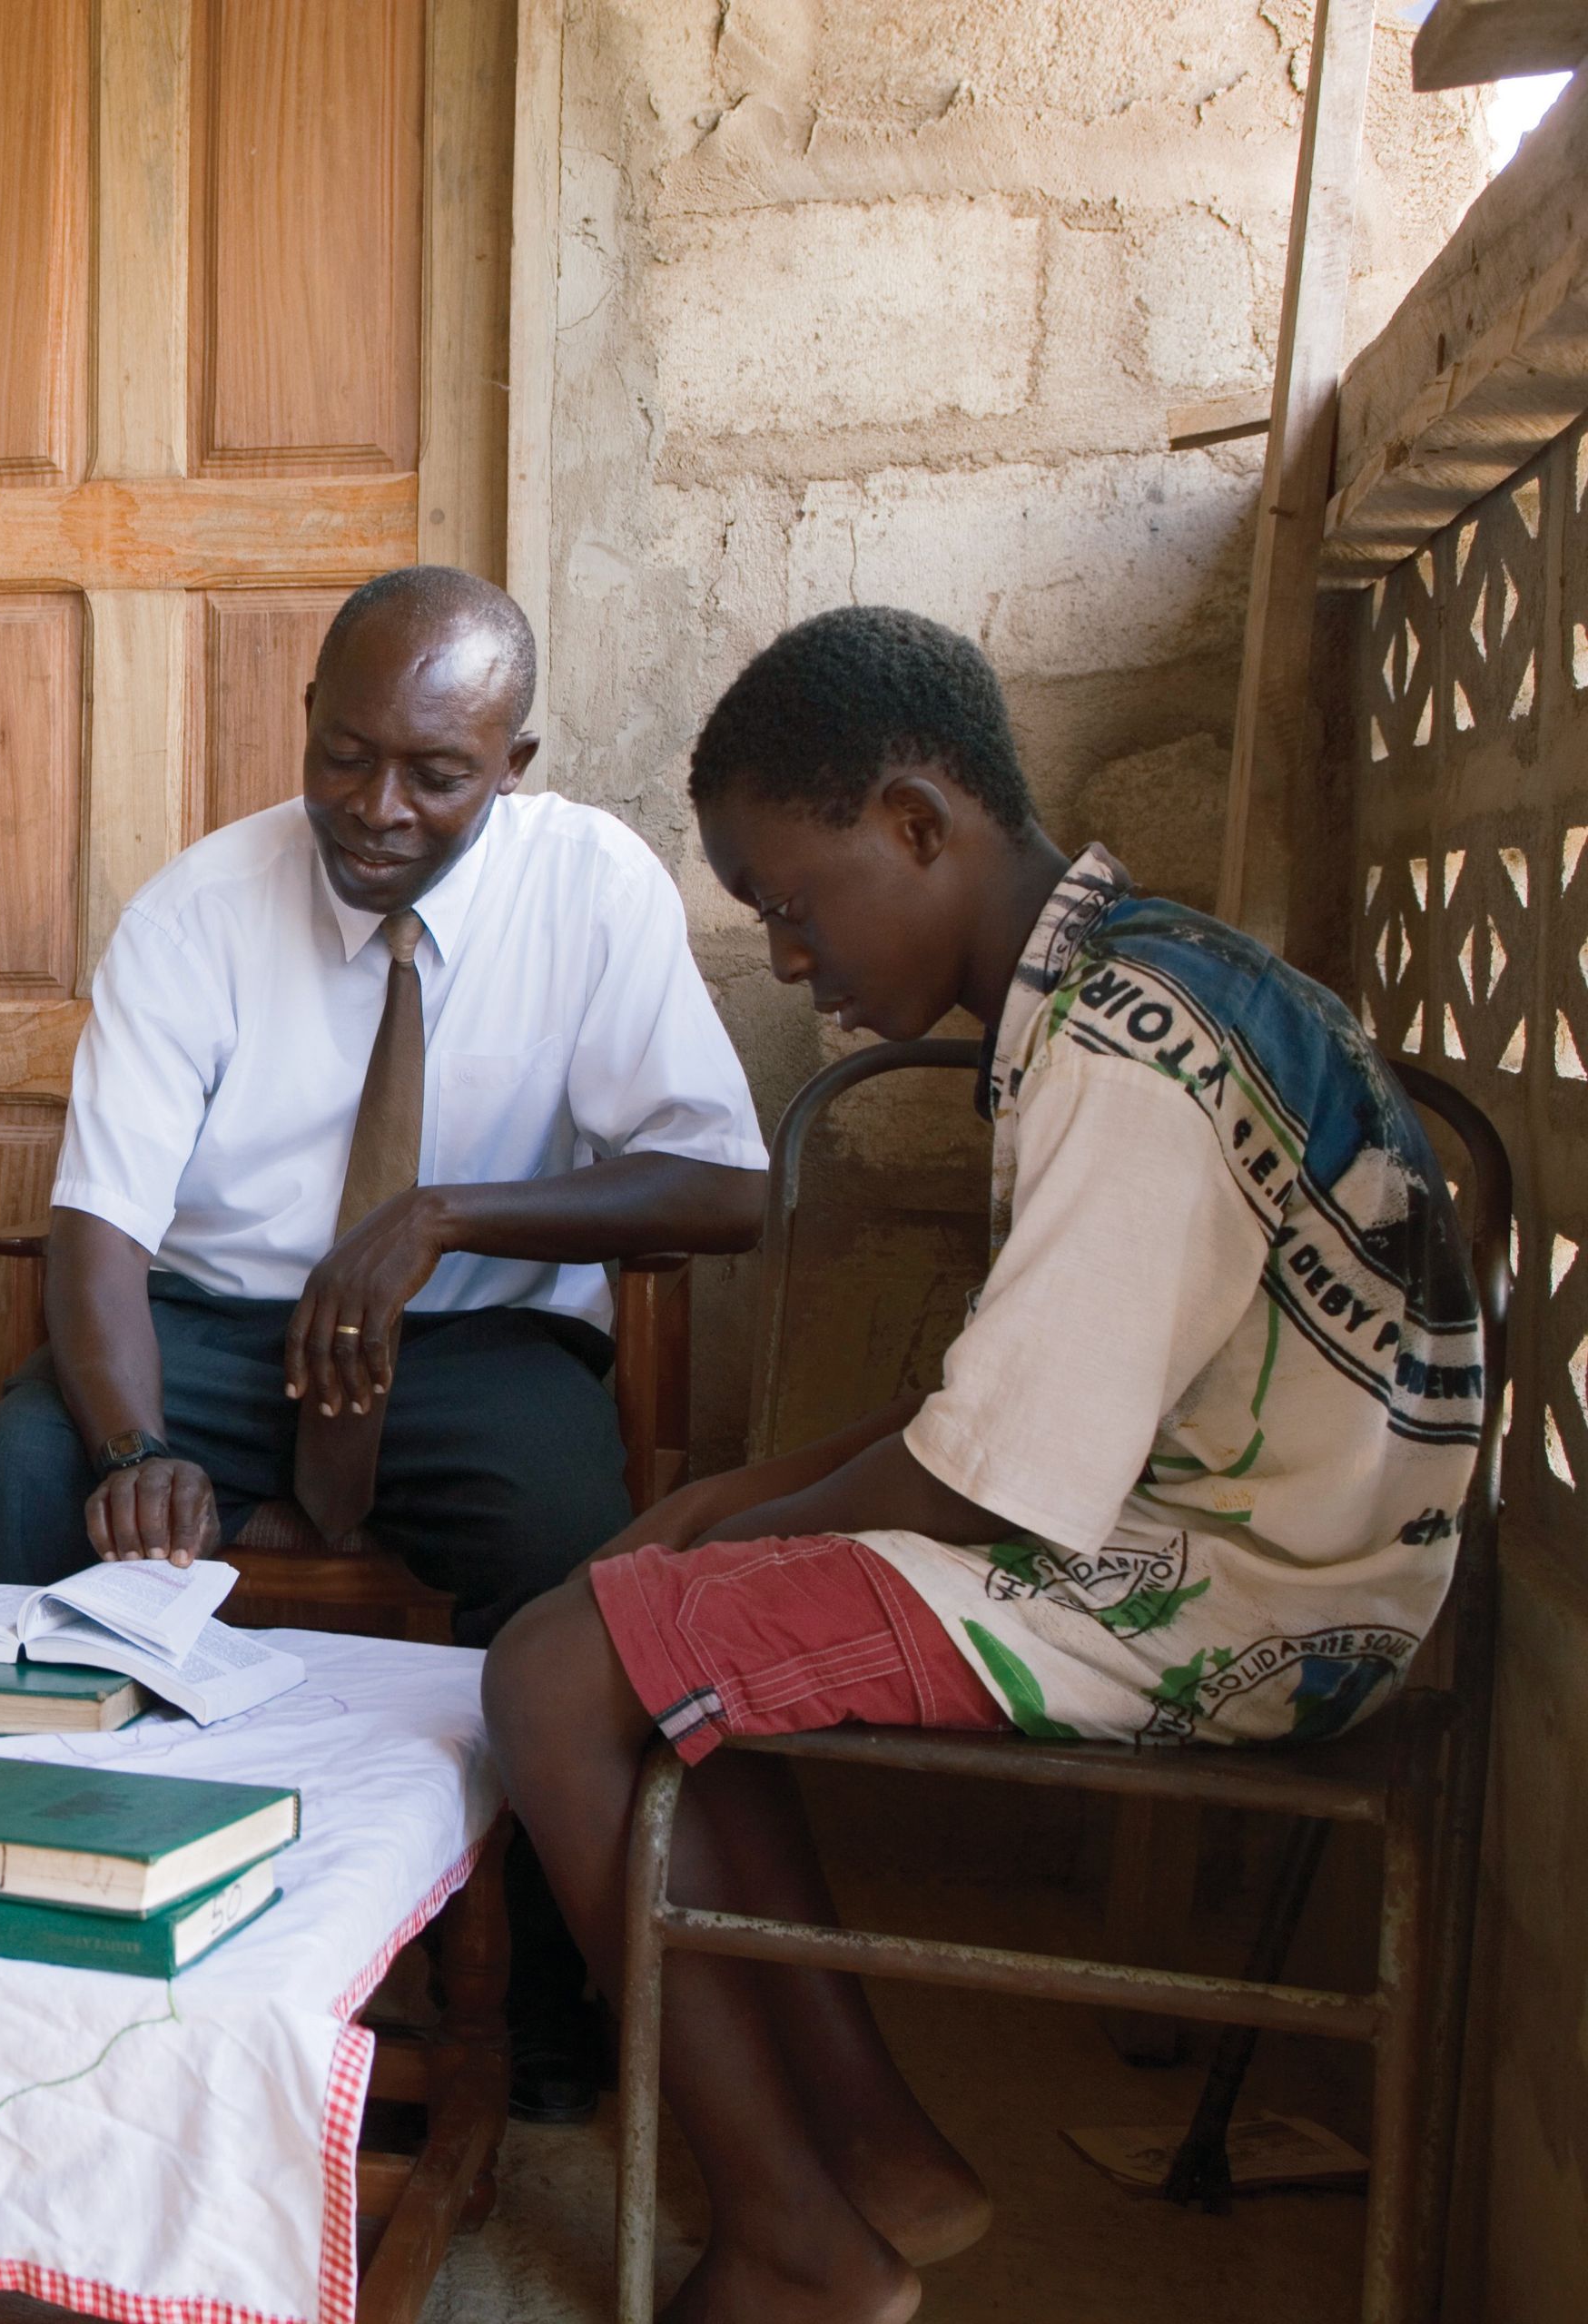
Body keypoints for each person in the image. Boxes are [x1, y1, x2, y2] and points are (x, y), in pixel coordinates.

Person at [482, 606, 1483, 2324]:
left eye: (792, 905)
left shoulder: (1124, 1043)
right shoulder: (1128, 984)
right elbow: (1000, 1399)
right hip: (1241, 1549)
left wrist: (712, 1556)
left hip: (1237, 1600)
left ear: (918, 824)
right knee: (666, 1628)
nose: (790, 960)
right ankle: (882, 2157)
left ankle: (797, 2239)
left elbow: (993, 1478)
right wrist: (728, 1507)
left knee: (560, 1673)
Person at [0, 564, 767, 2119]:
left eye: (438, 773)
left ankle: (538, 1990)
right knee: (23, 1469)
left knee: (572, 1558)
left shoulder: (588, 888)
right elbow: (104, 1228)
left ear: (512, 769)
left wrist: (446, 1219)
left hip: (474, 1339)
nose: (379, 807)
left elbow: (726, 1185)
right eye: (346, 756)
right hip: (214, 1336)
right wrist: (136, 1445)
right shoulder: (197, 908)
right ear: (308, 723)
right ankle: (34, 1937)